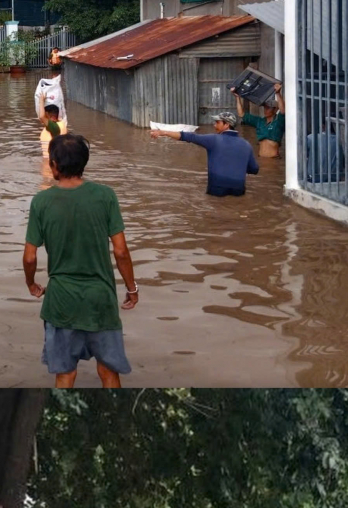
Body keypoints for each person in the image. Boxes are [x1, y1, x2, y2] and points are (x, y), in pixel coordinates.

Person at [24, 134, 138, 388]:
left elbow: (30, 257)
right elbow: (121, 252)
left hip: (61, 301)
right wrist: (132, 289)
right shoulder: (105, 196)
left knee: (65, 375)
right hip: (101, 299)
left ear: (54, 164)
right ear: (83, 163)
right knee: (109, 373)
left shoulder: (41, 202)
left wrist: (31, 284)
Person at [151, 113, 259, 197]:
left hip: (217, 188)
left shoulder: (213, 139)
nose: (214, 125)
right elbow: (254, 169)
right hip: (239, 189)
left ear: (226, 125)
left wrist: (163, 133)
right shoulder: (246, 144)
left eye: (217, 122)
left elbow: (189, 137)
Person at [234, 83, 285, 158]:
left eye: (268, 108)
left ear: (275, 109)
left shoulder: (279, 121)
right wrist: (238, 98)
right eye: (265, 108)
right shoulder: (259, 121)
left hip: (273, 159)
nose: (265, 110)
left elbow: (283, 111)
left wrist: (278, 93)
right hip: (261, 158)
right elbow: (241, 114)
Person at [37, 93, 67, 158]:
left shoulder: (55, 127)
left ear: (47, 114)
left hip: (51, 164)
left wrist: (41, 100)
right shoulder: (61, 125)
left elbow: (41, 117)